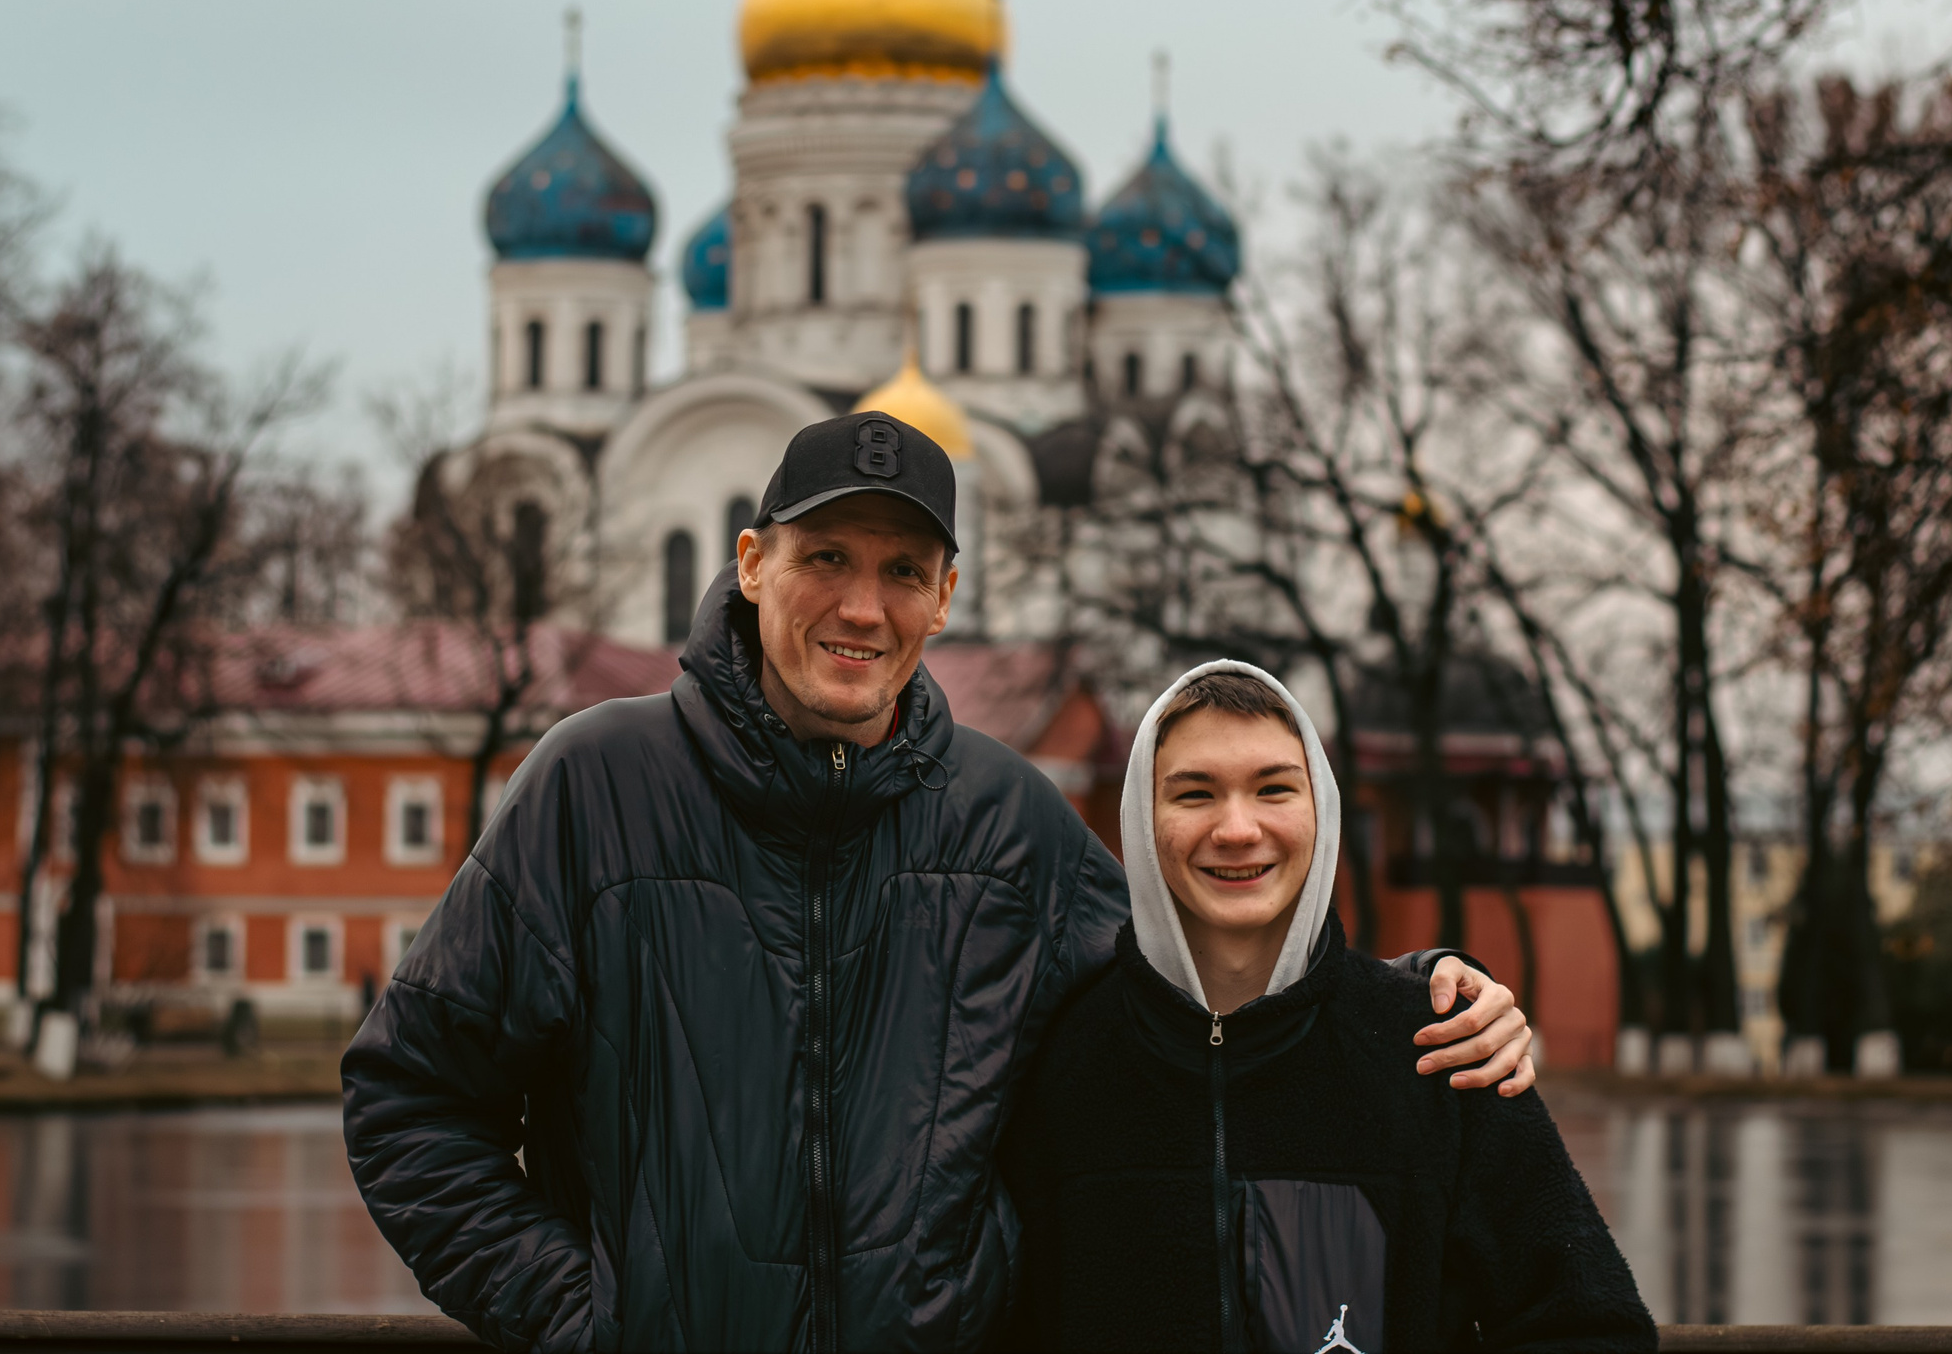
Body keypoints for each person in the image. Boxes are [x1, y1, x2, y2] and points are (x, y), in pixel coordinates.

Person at [342, 413, 1537, 1352]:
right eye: (826, 558)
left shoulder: (1005, 819)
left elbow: (1200, 996)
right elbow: (409, 1099)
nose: (863, 605)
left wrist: (1416, 993)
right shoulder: (599, 785)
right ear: (753, 564)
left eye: (904, 570)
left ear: (947, 596)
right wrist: (582, 1313)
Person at [1005, 663, 1655, 1352]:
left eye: (1274, 789)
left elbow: (1588, 1326)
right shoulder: (1058, 1061)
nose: (1237, 828)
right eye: (1194, 794)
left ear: (1323, 809)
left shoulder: (1442, 1055)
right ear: (1141, 820)